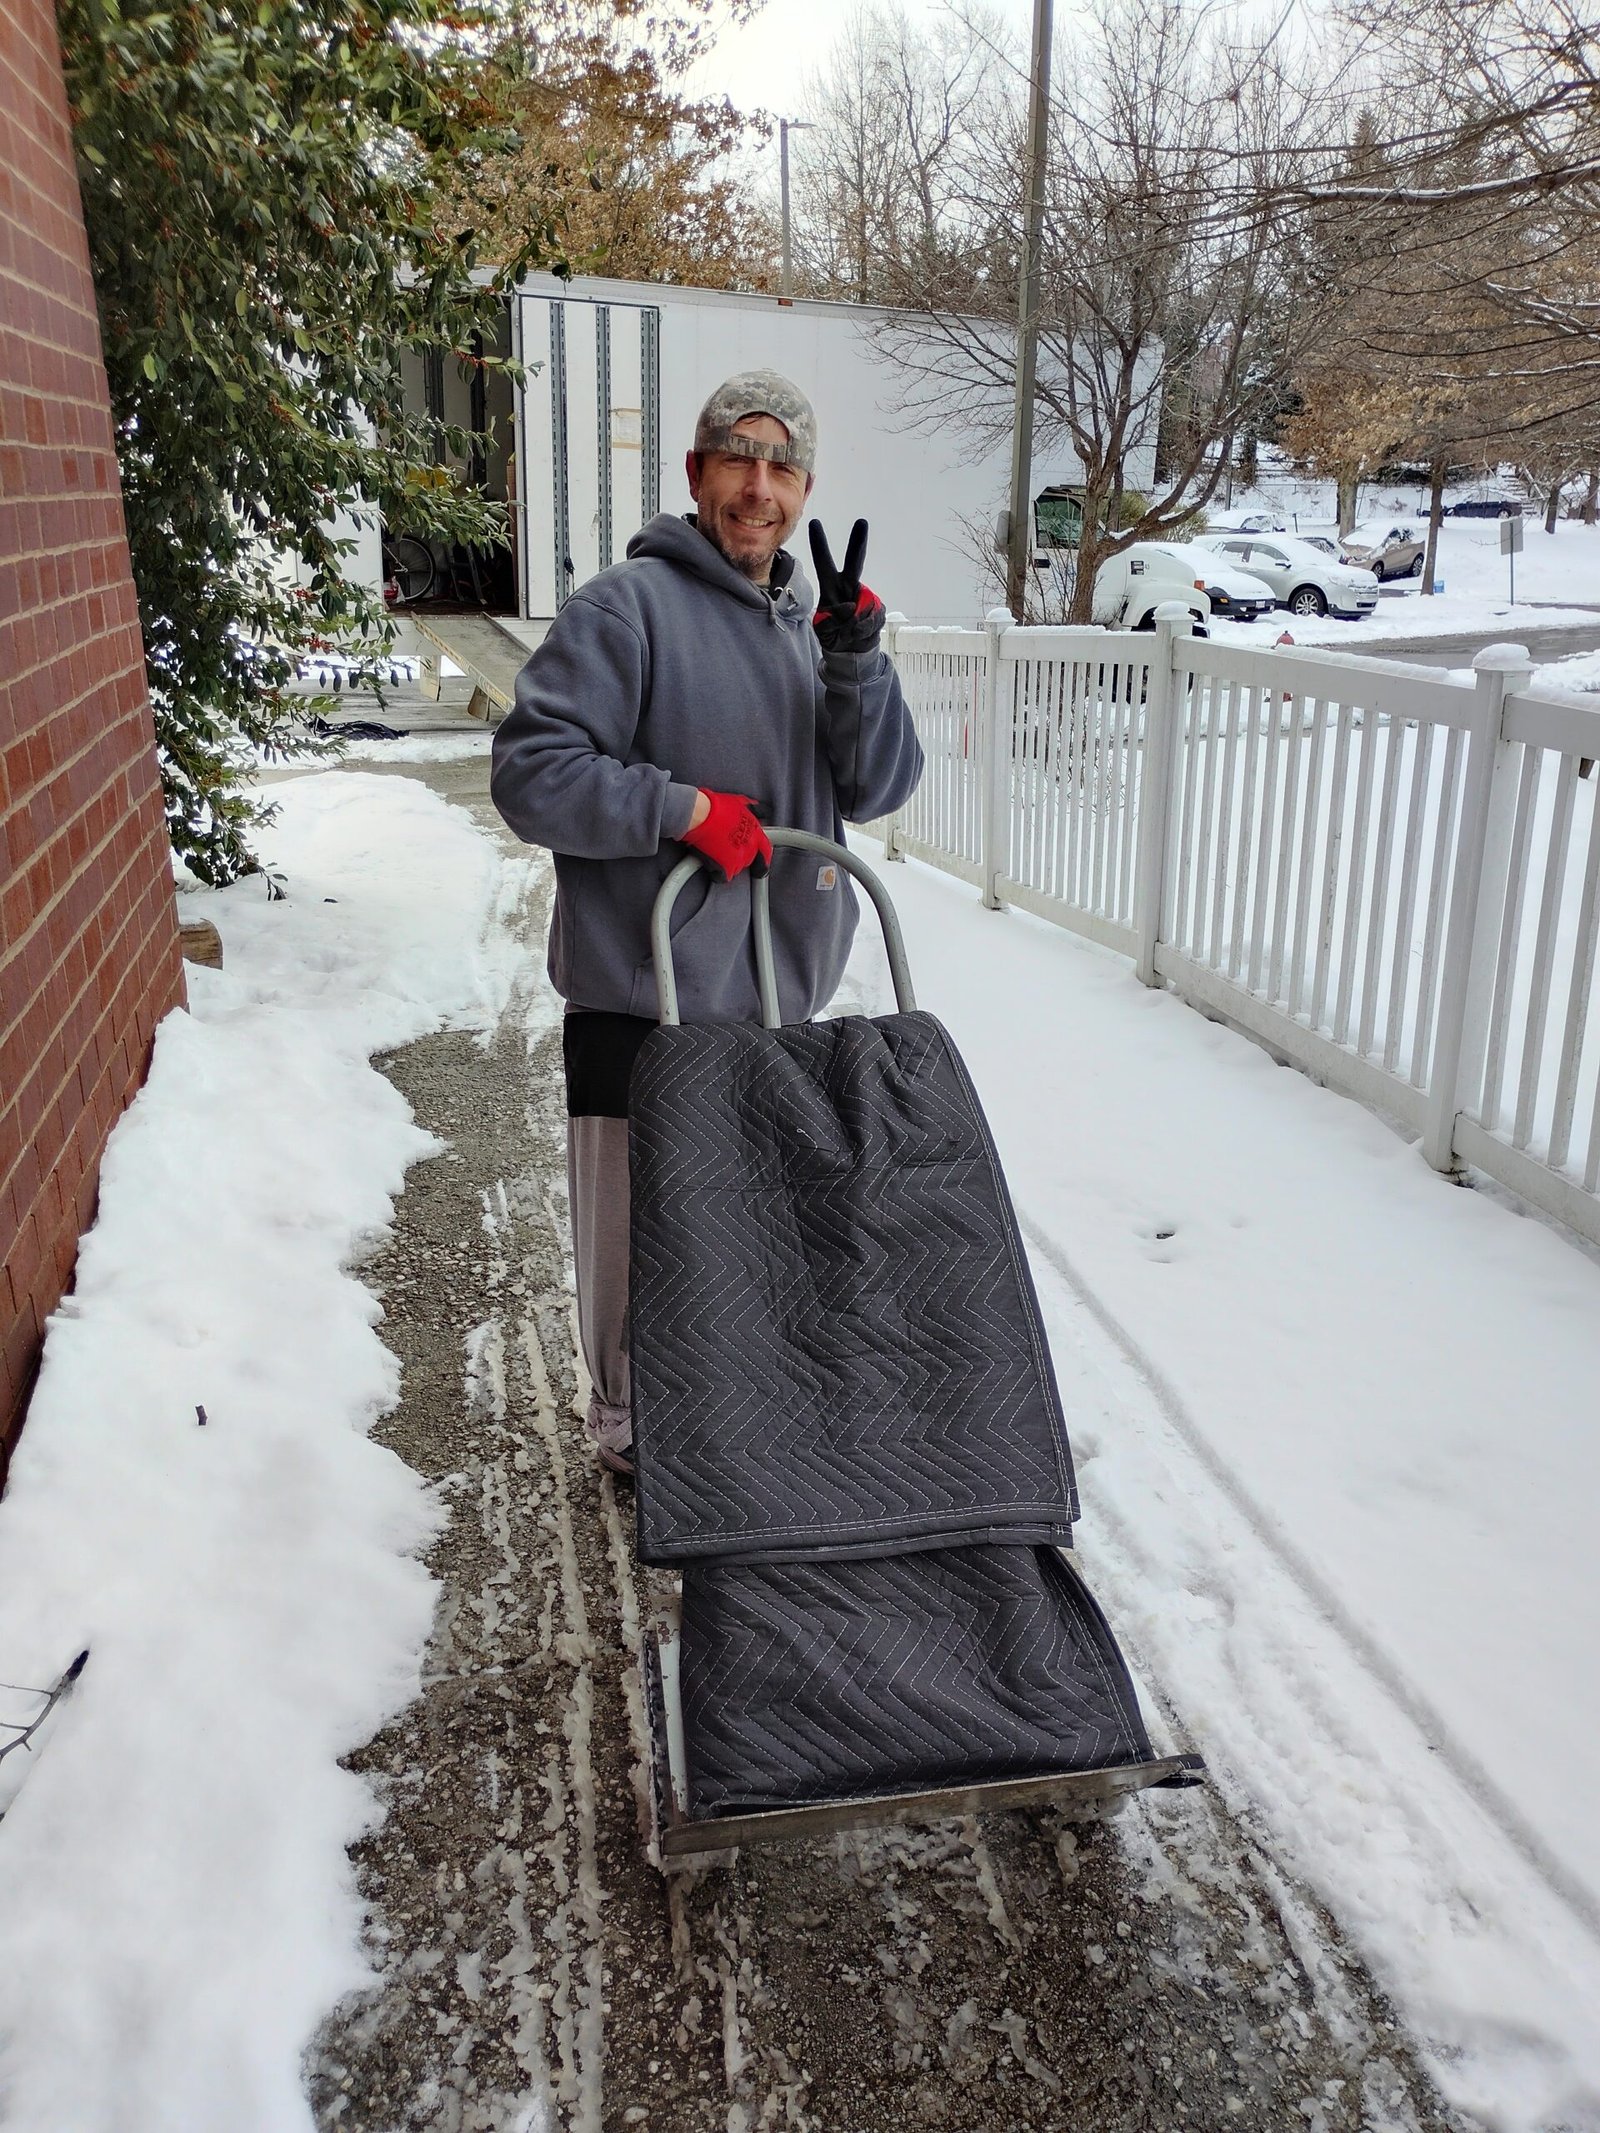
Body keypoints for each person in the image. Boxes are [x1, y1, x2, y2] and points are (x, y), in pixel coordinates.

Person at [490, 370, 924, 1473]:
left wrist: (856, 665)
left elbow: (876, 787)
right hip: (642, 1000)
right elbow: (532, 774)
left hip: (775, 998)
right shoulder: (623, 609)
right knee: (638, 1239)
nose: (758, 486)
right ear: (696, 473)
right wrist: (680, 811)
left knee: (743, 1235)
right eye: (737, 458)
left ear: (806, 487)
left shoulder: (808, 626)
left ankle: (732, 1406)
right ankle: (633, 1429)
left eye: (781, 467)